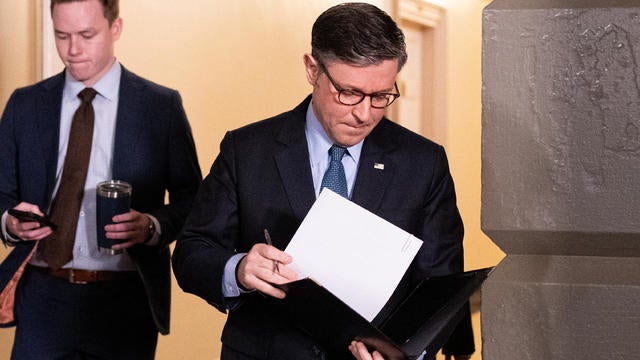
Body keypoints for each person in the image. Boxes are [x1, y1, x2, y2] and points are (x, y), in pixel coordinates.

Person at [172, 2, 472, 360]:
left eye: (381, 97)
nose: (364, 114)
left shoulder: (424, 163)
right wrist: (236, 269)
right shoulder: (247, 150)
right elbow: (192, 251)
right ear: (312, 69)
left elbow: (438, 289)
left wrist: (404, 354)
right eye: (349, 93)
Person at [0, 0, 202, 358]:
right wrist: (10, 222)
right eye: (62, 36)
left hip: (124, 301)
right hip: (42, 298)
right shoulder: (24, 104)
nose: (72, 50)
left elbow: (195, 203)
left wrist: (152, 226)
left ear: (116, 29)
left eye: (86, 35)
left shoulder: (161, 107)